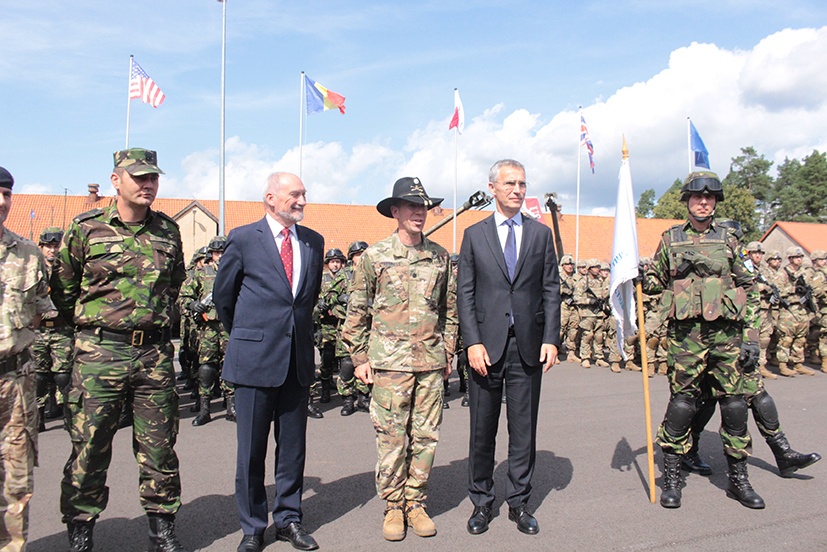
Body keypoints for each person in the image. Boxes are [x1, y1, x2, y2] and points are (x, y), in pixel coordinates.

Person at [51, 149, 187, 551]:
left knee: (159, 448)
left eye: (153, 179)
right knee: (89, 447)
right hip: (99, 355)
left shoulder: (167, 231)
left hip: (154, 358)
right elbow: (63, 292)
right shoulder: (85, 228)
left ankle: (162, 529)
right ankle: (80, 530)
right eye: (139, 177)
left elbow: (173, 285)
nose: (148, 185)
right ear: (116, 180)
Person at [341, 177, 456, 542]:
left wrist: (448, 351)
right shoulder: (375, 257)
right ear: (395, 211)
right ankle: (393, 506)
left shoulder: (440, 256)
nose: (419, 213)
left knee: (425, 436)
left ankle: (415, 502)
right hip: (389, 365)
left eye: (423, 207)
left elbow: (449, 311)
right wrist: (359, 357)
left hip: (430, 363)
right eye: (411, 206)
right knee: (391, 438)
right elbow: (357, 312)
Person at [213, 172, 323, 552]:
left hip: (296, 361)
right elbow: (223, 297)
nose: (302, 201)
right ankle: (253, 527)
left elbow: (306, 301)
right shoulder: (244, 239)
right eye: (295, 194)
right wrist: (250, 336)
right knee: (252, 451)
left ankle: (289, 519)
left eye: (304, 194)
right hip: (255, 361)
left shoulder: (313, 242)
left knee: (292, 449)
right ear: (271, 198)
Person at [644, 171, 763, 510]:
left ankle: (739, 479)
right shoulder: (670, 240)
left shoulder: (729, 240)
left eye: (709, 198)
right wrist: (638, 276)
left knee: (735, 404)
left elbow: (750, 288)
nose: (703, 202)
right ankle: (672, 477)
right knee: (682, 404)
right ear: (687, 201)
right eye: (697, 197)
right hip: (686, 338)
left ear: (715, 203)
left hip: (727, 337)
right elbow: (654, 282)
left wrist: (751, 339)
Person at [457, 159, 560, 536]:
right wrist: (472, 342)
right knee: (482, 430)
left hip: (528, 348)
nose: (517, 190)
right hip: (486, 348)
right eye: (510, 183)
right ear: (493, 188)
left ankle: (519, 502)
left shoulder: (539, 234)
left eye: (522, 184)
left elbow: (551, 289)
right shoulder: (474, 234)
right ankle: (482, 503)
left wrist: (551, 338)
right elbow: (464, 293)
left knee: (523, 430)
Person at [0, 166, 51, 552]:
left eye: (6, 194)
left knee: (16, 482)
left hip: (16, 383)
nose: (2, 202)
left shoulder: (28, 254)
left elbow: (40, 311)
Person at [180, 235, 233, 426]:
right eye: (217, 252)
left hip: (229, 327)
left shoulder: (236, 273)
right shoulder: (202, 273)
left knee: (230, 365)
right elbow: (184, 297)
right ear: (211, 254)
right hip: (208, 327)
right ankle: (205, 408)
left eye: (223, 252)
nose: (220, 256)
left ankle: (231, 406)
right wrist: (193, 304)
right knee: (206, 367)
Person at [32, 226, 74, 432]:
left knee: (63, 375)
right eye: (48, 246)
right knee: (39, 376)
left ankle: (68, 415)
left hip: (61, 329)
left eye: (56, 245)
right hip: (39, 331)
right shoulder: (33, 269)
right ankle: (38, 416)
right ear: (41, 247)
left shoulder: (68, 270)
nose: (52, 250)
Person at [336, 241, 371, 416]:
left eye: (363, 253)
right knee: (347, 365)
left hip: (369, 328)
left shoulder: (372, 272)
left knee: (366, 361)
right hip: (347, 327)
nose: (360, 257)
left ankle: (363, 398)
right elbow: (326, 297)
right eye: (357, 254)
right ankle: (348, 400)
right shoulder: (343, 275)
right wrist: (339, 299)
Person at [775, 247, 816, 376]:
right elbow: (777, 291)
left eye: (801, 257)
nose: (800, 259)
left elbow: (811, 288)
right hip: (789, 309)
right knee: (786, 339)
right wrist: (793, 289)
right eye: (797, 257)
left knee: (801, 339)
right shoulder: (783, 273)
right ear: (790, 259)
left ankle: (798, 364)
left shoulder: (804, 273)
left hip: (802, 309)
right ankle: (783, 365)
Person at [574, 259, 609, 368]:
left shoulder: (600, 281)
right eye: (595, 267)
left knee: (599, 336)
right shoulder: (584, 281)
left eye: (598, 267)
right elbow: (576, 298)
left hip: (599, 313)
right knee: (587, 335)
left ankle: (598, 357)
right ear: (589, 269)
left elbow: (604, 295)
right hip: (588, 313)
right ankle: (585, 357)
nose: (597, 269)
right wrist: (588, 301)